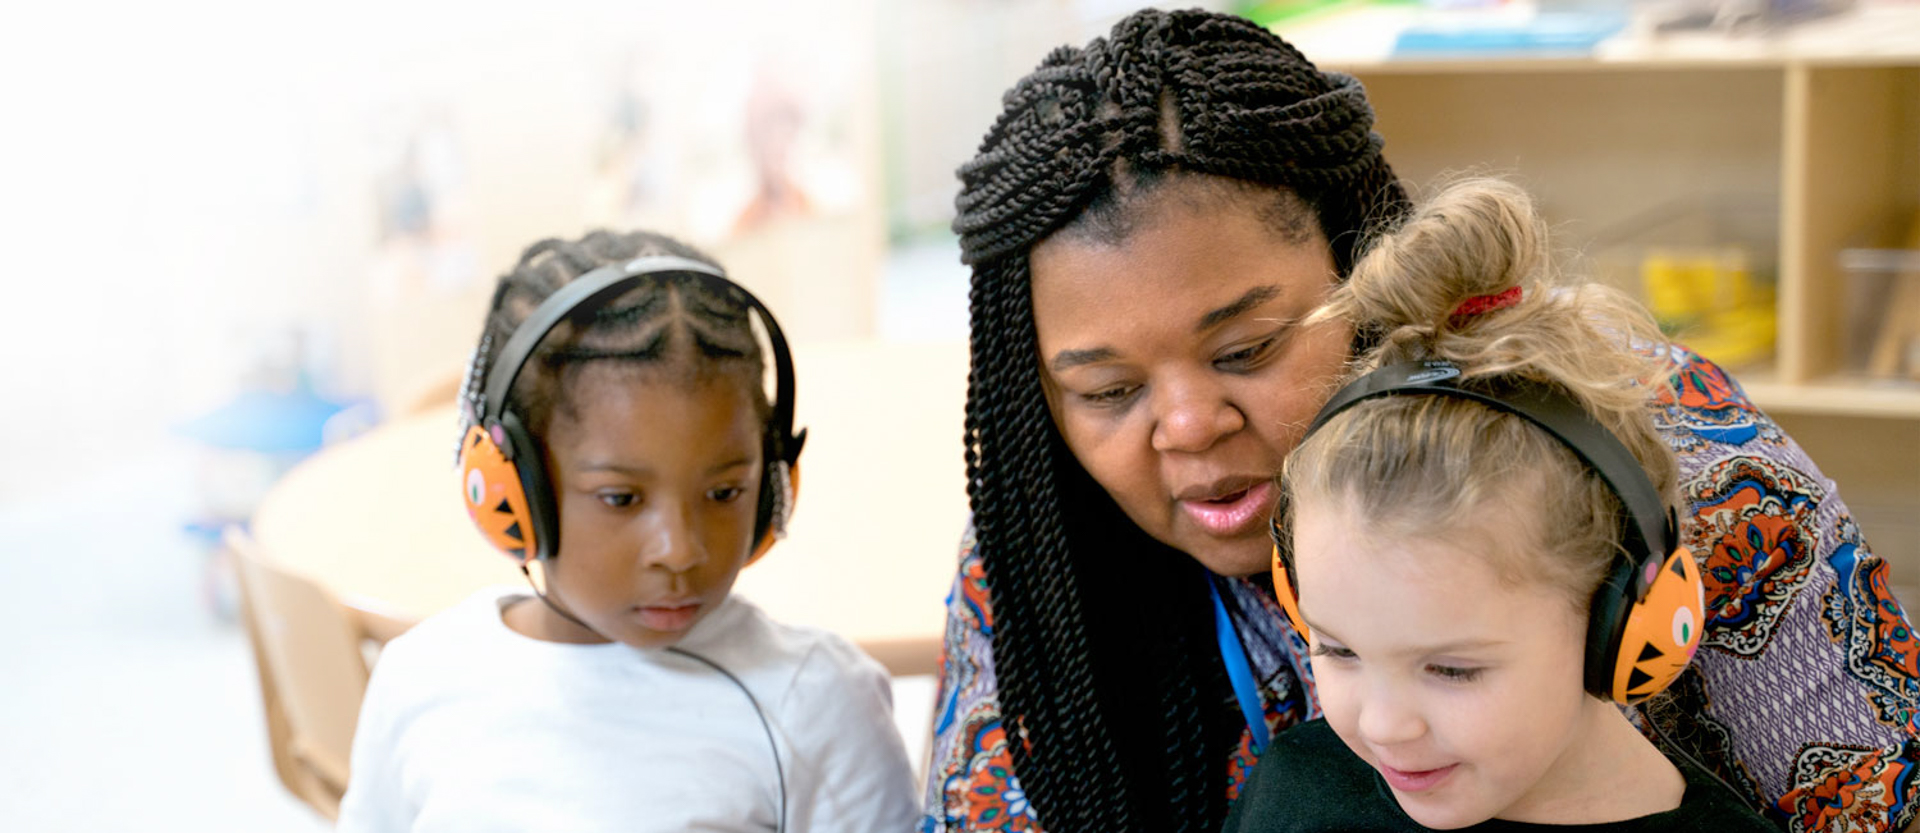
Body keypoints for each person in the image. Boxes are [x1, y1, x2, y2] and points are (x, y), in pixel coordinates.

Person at [925, 8, 1920, 833]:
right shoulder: (1037, 557)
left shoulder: (1663, 456)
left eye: (1247, 349)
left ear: (1364, 268)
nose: (1187, 425)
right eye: (1106, 392)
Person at [1222, 177, 1773, 832]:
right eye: (1339, 650)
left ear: (1623, 626)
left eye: (1452, 668)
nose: (1382, 725)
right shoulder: (1296, 792)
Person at [337, 230, 918, 832]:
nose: (680, 550)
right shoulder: (419, 679)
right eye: (621, 498)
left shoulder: (818, 705)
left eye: (724, 492)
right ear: (513, 488)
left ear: (773, 483)